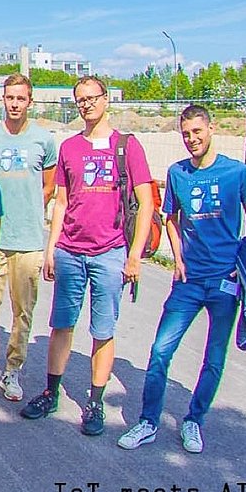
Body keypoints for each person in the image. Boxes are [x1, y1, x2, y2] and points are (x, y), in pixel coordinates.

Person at [118, 105, 246, 455]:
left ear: (211, 129)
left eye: (197, 132)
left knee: (214, 357)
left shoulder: (236, 172)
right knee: (161, 350)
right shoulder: (178, 173)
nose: (192, 139)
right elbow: (171, 219)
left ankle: (194, 420)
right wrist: (177, 258)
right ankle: (148, 421)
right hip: (188, 281)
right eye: (186, 134)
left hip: (225, 281)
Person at [25, 76, 153, 436]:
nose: (86, 105)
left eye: (92, 98)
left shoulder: (127, 146)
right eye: (80, 100)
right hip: (70, 250)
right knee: (61, 324)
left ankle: (95, 401)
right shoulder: (70, 148)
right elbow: (62, 202)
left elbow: (145, 204)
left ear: (106, 99)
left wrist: (135, 256)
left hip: (110, 252)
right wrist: (51, 249)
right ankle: (51, 391)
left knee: (103, 329)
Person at [0, 72, 58, 400]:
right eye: (9, 98)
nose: (14, 104)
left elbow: (49, 185)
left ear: (30, 101)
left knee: (23, 308)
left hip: (28, 240)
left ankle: (13, 369)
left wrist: (31, 210)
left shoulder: (44, 139)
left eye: (20, 98)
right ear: (3, 99)